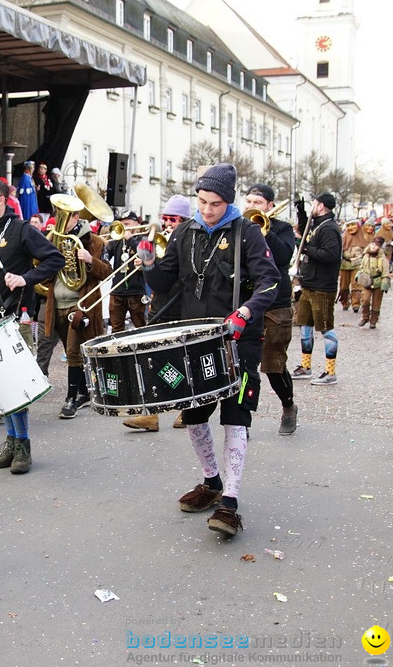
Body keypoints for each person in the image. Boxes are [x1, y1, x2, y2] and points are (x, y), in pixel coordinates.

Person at [140, 164, 280, 535]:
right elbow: (164, 282)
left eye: (214, 204)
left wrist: (245, 312)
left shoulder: (248, 233)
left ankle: (230, 502)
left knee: (236, 417)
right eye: (201, 202)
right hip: (194, 341)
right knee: (195, 415)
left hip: (239, 341)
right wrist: (149, 263)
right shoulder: (185, 231)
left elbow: (270, 284)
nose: (206, 210)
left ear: (228, 201)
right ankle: (211, 481)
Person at [0, 177, 64, 473]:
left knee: (16, 383)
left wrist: (26, 278)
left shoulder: (22, 230)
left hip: (15, 318)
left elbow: (55, 259)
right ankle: (11, 441)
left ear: (1, 199)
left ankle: (22, 445)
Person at [122, 194, 192, 432]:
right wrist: (147, 264)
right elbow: (158, 280)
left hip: (180, 308)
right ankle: (150, 415)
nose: (168, 224)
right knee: (151, 362)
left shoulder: (188, 240)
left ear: (183, 220)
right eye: (165, 218)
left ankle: (187, 409)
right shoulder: (166, 240)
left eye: (173, 219)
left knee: (181, 363)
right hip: (159, 306)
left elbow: (176, 276)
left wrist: (153, 263)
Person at [42, 193, 112, 420]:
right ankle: (83, 392)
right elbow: (44, 272)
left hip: (80, 305)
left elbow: (106, 272)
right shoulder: (53, 238)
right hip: (57, 304)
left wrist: (90, 260)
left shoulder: (95, 242)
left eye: (67, 215)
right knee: (70, 350)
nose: (62, 218)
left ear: (75, 217)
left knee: (72, 352)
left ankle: (70, 399)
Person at [243, 184, 299, 435]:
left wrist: (263, 230)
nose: (251, 206)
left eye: (257, 202)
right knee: (243, 364)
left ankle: (288, 406)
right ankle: (240, 419)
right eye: (248, 201)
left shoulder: (282, 228)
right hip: (248, 300)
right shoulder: (240, 226)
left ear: (269, 206)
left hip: (276, 302)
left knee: (273, 363)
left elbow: (285, 255)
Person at [290, 193, 342, 385]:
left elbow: (330, 254)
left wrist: (305, 250)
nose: (313, 205)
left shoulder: (329, 228)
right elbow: (306, 234)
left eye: (313, 203)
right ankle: (306, 367)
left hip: (323, 288)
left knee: (326, 329)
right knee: (305, 326)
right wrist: (301, 211)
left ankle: (330, 372)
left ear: (320, 206)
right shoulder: (319, 223)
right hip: (309, 284)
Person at [103, 211, 147, 334]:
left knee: (140, 328)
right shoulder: (117, 241)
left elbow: (145, 254)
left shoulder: (143, 239)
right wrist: (103, 247)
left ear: (136, 224)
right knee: (116, 330)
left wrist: (130, 239)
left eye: (127, 224)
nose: (124, 227)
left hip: (136, 291)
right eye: (122, 225)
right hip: (117, 291)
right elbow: (105, 257)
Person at [355, 236, 392, 329]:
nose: (373, 246)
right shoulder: (366, 256)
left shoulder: (383, 259)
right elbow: (362, 267)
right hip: (367, 281)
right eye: (372, 244)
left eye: (375, 245)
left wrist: (385, 281)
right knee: (365, 299)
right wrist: (359, 274)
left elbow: (386, 271)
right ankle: (364, 317)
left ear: (379, 247)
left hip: (378, 281)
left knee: (376, 302)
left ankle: (374, 320)